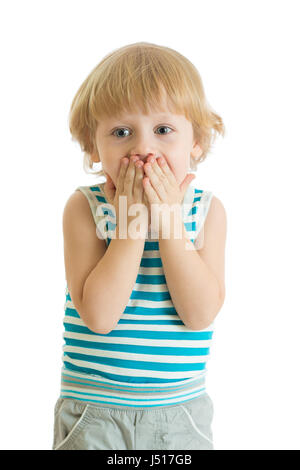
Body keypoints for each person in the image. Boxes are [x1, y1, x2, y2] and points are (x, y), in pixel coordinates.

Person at [52, 41, 227, 451]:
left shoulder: (207, 212)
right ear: (94, 148)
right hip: (94, 411)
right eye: (121, 132)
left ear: (195, 142)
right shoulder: (85, 208)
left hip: (180, 412)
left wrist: (169, 223)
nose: (143, 148)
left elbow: (199, 314)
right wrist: (130, 227)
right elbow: (99, 316)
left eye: (163, 130)